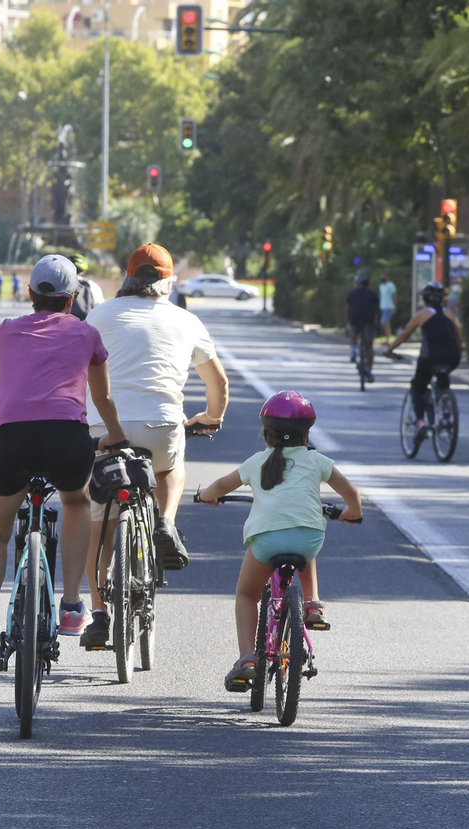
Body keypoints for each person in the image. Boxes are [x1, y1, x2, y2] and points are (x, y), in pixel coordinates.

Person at [0, 255, 127, 675]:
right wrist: (117, 436)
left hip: (11, 441)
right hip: (66, 441)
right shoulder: (86, 334)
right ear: (72, 300)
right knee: (75, 503)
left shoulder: (6, 331)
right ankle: (70, 605)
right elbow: (102, 400)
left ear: (30, 294)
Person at [80, 244, 229, 647]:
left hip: (104, 429)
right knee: (170, 466)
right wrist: (211, 417)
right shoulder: (186, 320)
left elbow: (80, 372)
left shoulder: (99, 314)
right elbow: (218, 384)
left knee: (99, 527)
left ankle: (97, 615)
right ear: (167, 282)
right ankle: (165, 519)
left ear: (128, 277)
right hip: (161, 427)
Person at [196, 391, 362, 689]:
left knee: (247, 593)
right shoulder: (318, 460)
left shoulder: (256, 462)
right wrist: (353, 513)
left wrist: (205, 496)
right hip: (308, 537)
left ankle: (247, 658)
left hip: (266, 542)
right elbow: (351, 494)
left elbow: (221, 485)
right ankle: (312, 605)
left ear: (265, 433)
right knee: (306, 536)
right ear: (307, 433)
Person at [383, 282, 461, 430]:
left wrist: (390, 349)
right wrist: (459, 352)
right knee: (443, 378)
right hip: (452, 356)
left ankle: (420, 422)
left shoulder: (421, 315)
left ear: (425, 298)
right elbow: (458, 335)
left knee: (418, 387)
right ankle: (445, 406)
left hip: (430, 357)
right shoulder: (450, 313)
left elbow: (405, 335)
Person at [345, 273, 380, 378]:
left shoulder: (352, 294)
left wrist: (348, 320)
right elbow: (377, 311)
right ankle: (369, 370)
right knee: (369, 346)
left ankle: (353, 352)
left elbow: (347, 308)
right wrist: (376, 324)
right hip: (369, 322)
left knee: (352, 336)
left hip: (354, 321)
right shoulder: (373, 294)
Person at [67, 253, 105, 320]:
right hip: (86, 325)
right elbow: (100, 308)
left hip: (64, 325)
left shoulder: (61, 284)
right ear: (84, 272)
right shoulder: (92, 285)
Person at [377, 274, 397, 338]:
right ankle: (387, 337)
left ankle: (389, 338)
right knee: (384, 323)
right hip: (383, 307)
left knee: (386, 322)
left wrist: (394, 305)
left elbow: (394, 295)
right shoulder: (381, 286)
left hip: (389, 306)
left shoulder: (391, 285)